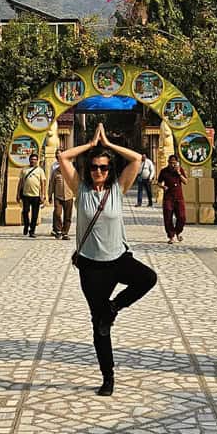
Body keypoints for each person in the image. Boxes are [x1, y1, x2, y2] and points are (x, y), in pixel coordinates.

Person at [58, 122, 157, 396]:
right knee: (99, 327)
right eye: (94, 167)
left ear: (110, 170)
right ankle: (108, 376)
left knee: (148, 278)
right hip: (91, 268)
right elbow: (63, 157)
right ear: (87, 169)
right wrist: (91, 145)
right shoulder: (80, 190)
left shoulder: (117, 189)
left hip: (118, 259)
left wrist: (109, 144)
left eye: (103, 167)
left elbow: (136, 158)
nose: (99, 171)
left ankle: (114, 308)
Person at [157, 154, 188, 244]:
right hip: (168, 197)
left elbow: (185, 181)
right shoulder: (164, 171)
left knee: (182, 217)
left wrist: (179, 173)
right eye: (170, 163)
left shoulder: (180, 170)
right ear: (168, 162)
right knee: (168, 217)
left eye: (174, 163)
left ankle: (178, 232)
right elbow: (158, 183)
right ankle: (171, 236)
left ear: (177, 163)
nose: (172, 165)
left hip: (179, 197)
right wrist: (163, 187)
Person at [17, 152, 46, 238]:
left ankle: (32, 231)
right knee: (25, 211)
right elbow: (20, 182)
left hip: (36, 195)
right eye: (32, 159)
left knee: (35, 214)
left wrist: (43, 195)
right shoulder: (24, 169)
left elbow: (43, 183)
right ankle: (26, 225)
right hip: (26, 195)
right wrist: (18, 193)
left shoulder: (40, 170)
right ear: (29, 160)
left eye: (35, 160)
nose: (33, 161)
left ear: (37, 161)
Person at [48, 149, 74, 239]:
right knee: (57, 213)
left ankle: (65, 232)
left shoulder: (71, 169)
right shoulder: (55, 171)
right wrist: (49, 195)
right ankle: (58, 230)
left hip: (69, 195)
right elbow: (51, 183)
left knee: (68, 215)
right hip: (58, 196)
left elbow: (75, 182)